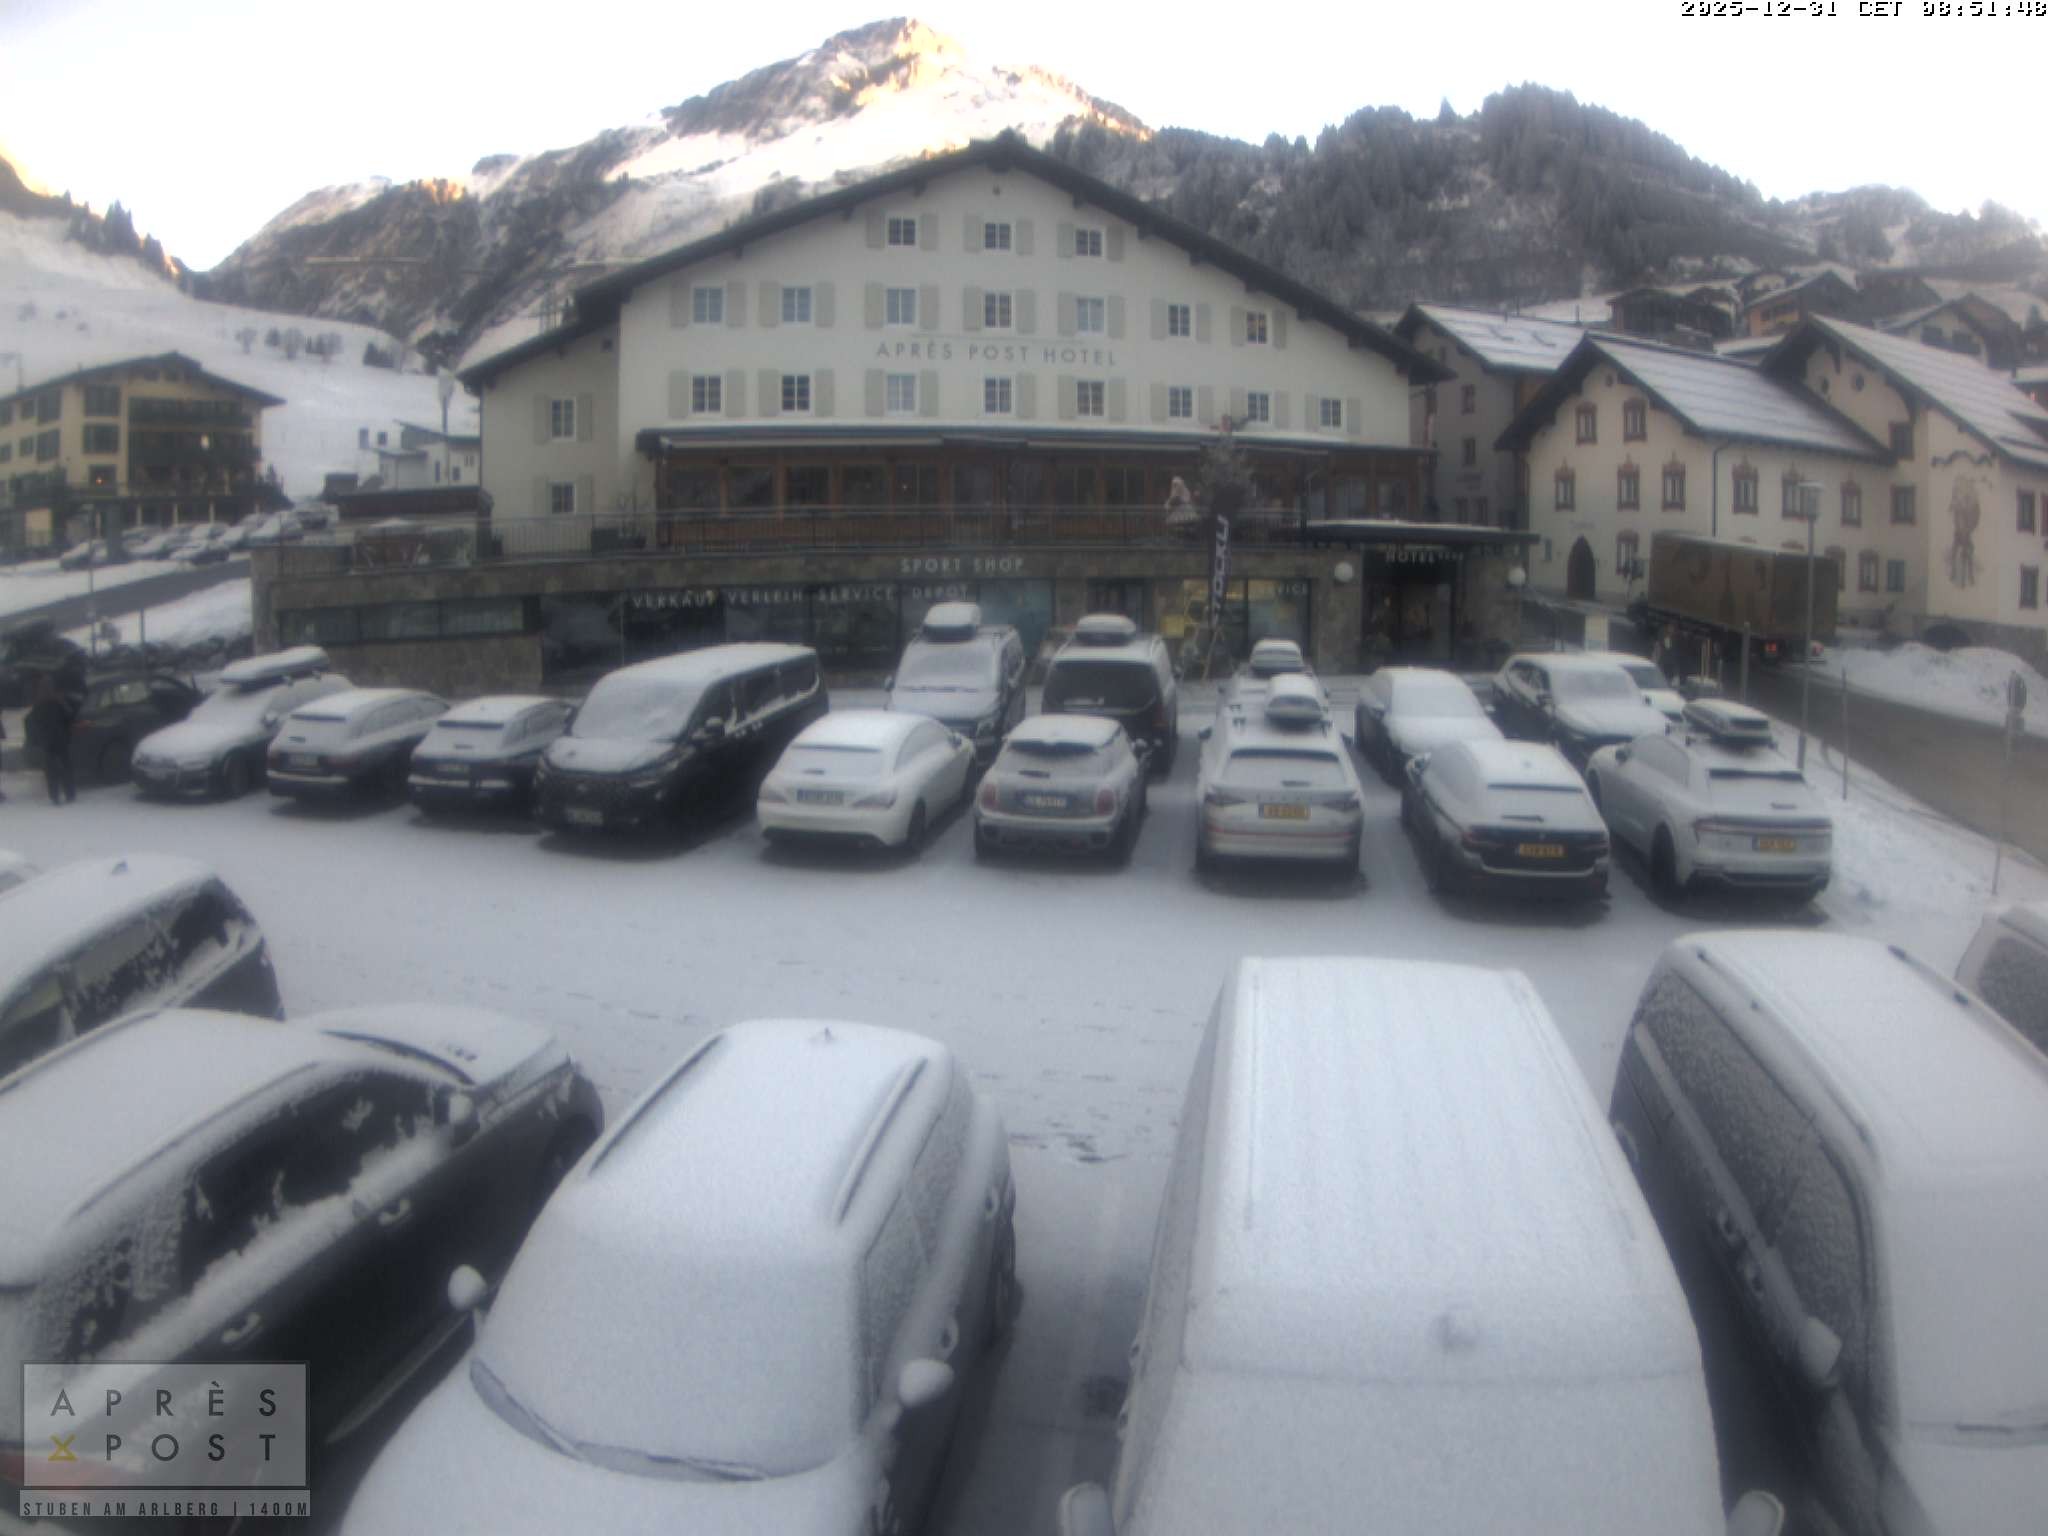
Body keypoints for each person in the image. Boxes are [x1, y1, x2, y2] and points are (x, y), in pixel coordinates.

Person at [25, 675, 76, 805]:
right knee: (66, 767)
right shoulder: (58, 702)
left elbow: (32, 722)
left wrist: (37, 738)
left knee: (51, 770)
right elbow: (69, 716)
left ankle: (54, 796)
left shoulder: (38, 705)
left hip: (47, 741)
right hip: (61, 739)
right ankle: (70, 794)